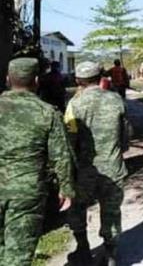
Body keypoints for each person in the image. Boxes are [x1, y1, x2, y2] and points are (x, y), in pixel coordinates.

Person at [0, 57, 74, 266]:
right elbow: (61, 155)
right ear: (36, 81)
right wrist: (66, 189)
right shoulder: (47, 113)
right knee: (18, 256)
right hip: (26, 192)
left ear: (8, 79)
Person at [65, 61, 128, 266]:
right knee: (111, 210)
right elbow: (125, 134)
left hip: (85, 170)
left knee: (77, 208)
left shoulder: (74, 104)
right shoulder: (116, 100)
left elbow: (69, 139)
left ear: (77, 80)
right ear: (101, 77)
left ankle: (82, 248)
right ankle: (110, 255)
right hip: (113, 166)